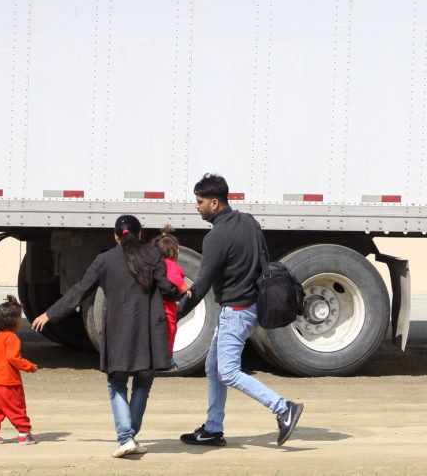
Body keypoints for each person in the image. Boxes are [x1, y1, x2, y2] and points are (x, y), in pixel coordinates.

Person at [31, 215, 180, 458]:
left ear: (115, 236)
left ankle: (126, 438)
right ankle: (129, 436)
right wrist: (182, 292)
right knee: (143, 382)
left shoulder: (104, 260)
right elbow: (166, 288)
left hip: (119, 332)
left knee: (117, 384)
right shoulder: (153, 256)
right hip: (149, 334)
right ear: (140, 234)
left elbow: (80, 290)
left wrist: (50, 314)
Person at [177, 173, 303, 448]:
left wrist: (174, 316)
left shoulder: (215, 238)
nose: (196, 206)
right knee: (213, 367)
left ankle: (283, 408)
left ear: (214, 203)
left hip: (237, 310)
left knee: (229, 372)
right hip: (249, 305)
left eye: (199, 202)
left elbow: (200, 286)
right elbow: (263, 260)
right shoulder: (249, 221)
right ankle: (212, 428)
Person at [0, 295, 38, 445]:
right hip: (9, 382)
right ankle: (24, 433)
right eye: (20, 318)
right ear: (13, 322)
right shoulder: (11, 338)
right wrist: (29, 367)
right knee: (17, 407)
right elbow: (13, 358)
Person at [152, 224, 189, 368]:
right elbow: (175, 278)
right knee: (170, 330)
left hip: (156, 305)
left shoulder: (155, 264)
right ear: (174, 252)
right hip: (168, 307)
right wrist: (185, 288)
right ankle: (168, 358)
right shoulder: (171, 265)